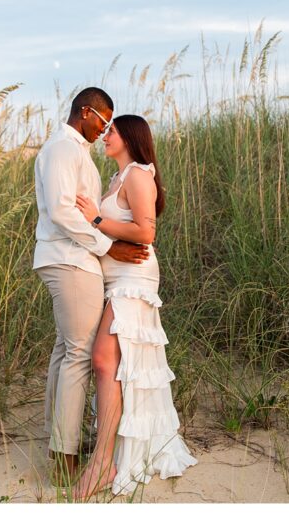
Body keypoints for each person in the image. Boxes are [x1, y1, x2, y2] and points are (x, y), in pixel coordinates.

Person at [70, 114, 197, 499]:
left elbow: (146, 231)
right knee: (118, 365)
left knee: (104, 359)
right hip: (115, 278)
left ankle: (104, 462)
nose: (105, 136)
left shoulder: (140, 174)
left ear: (130, 136)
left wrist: (94, 217)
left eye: (112, 130)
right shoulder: (117, 179)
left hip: (135, 278)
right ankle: (118, 449)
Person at [32, 88, 151, 486]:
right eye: (103, 121)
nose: (103, 131)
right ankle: (64, 457)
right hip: (70, 260)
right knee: (80, 354)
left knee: (66, 350)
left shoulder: (73, 152)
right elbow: (63, 210)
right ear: (86, 113)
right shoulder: (64, 150)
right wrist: (108, 246)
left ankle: (57, 444)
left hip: (71, 258)